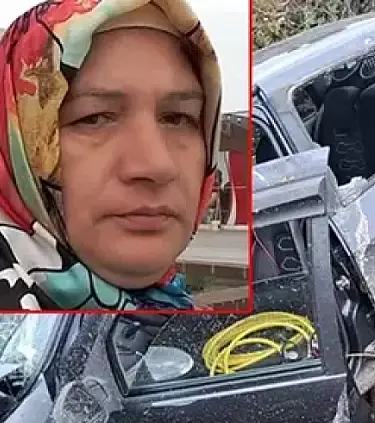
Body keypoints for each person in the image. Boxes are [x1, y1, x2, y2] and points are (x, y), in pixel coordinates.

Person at [0, 0, 224, 310]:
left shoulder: (174, 311)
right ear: (15, 146)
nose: (156, 165)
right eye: (93, 118)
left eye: (177, 118)